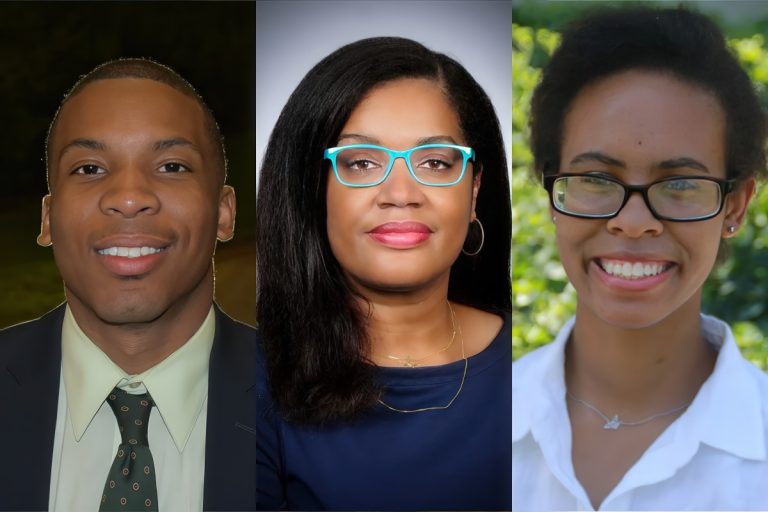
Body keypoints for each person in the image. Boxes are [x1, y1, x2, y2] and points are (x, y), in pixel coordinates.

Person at [513, 7, 768, 511]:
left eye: (679, 184)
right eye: (594, 179)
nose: (632, 222)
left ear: (734, 205)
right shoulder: (467, 423)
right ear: (550, 191)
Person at [255, 37, 512, 510]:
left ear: (474, 189)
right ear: (315, 190)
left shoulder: (539, 366)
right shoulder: (249, 383)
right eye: (361, 162)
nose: (400, 192)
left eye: (435, 162)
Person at [0, 59, 256, 511]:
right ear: (47, 219)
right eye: (89, 169)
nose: (129, 197)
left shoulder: (314, 405)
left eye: (172, 165)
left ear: (224, 212)